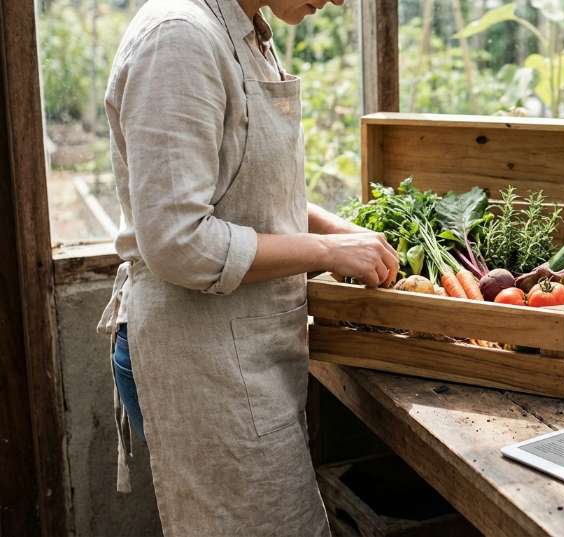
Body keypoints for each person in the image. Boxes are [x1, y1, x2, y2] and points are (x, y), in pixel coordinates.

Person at [96, 0, 398, 534]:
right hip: (199, 354)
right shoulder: (178, 41)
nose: (340, 2)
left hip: (243, 348)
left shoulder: (244, 30)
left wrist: (336, 230)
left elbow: (243, 188)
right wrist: (326, 253)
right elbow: (179, 240)